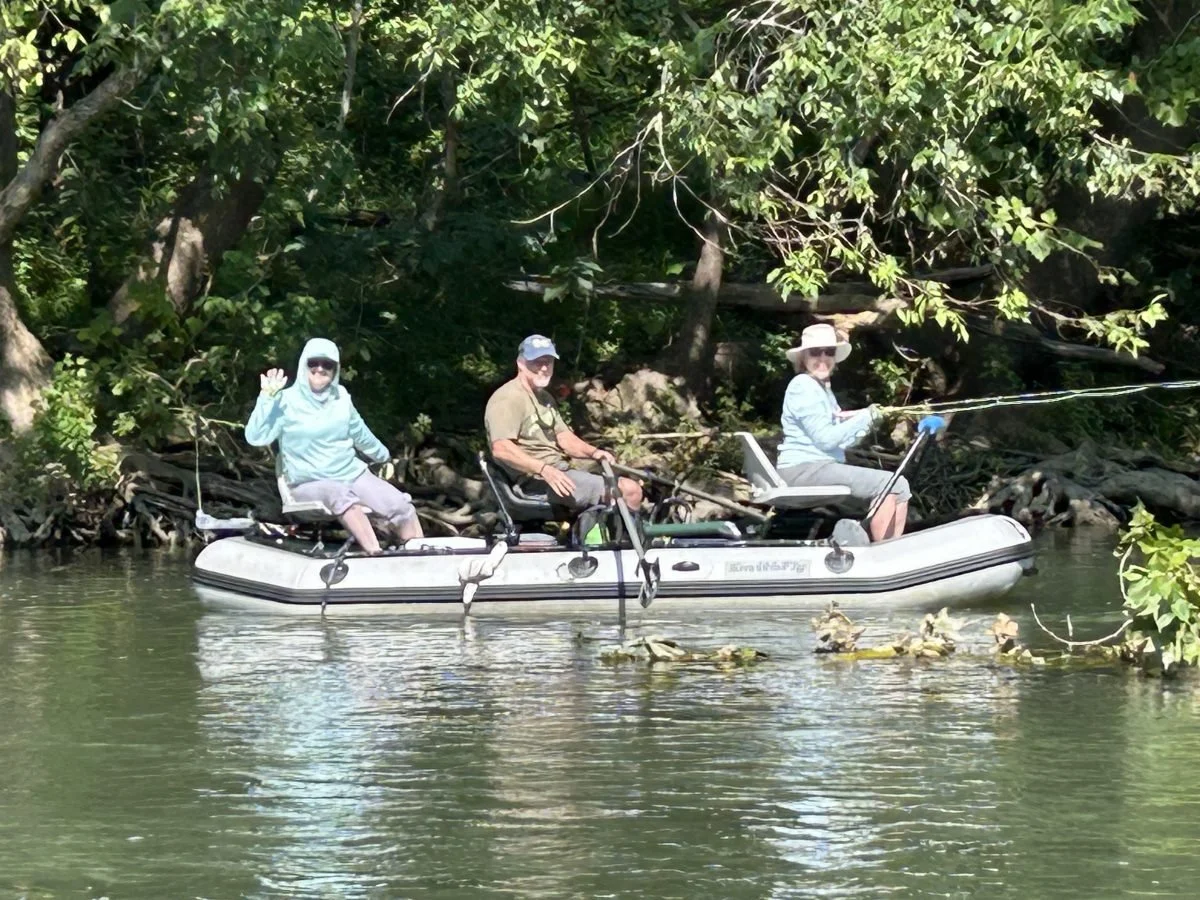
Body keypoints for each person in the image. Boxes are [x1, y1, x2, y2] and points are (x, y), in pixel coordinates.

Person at [245, 337, 423, 553]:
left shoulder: (342, 398)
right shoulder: (284, 400)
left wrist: (383, 456)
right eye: (314, 363)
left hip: (351, 474)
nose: (320, 369)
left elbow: (361, 434)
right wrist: (266, 398)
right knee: (339, 494)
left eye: (327, 364)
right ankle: (375, 554)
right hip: (307, 484)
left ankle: (421, 554)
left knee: (399, 505)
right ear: (304, 365)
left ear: (335, 369)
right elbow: (256, 437)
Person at [777, 323, 909, 542]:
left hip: (820, 467)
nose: (822, 357)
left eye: (828, 352)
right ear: (803, 357)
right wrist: (864, 416)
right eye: (815, 352)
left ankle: (890, 548)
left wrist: (867, 423)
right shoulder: (803, 385)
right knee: (891, 484)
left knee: (899, 485)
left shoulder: (822, 389)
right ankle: (886, 552)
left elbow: (843, 442)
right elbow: (826, 439)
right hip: (804, 470)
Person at [485, 334, 643, 513]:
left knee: (630, 480)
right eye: (537, 361)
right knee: (630, 490)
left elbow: (564, 438)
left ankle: (607, 535)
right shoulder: (508, 398)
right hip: (533, 481)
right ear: (521, 363)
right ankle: (626, 540)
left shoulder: (544, 398)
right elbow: (501, 448)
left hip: (559, 471)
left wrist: (595, 453)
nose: (544, 368)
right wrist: (544, 469)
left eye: (549, 361)